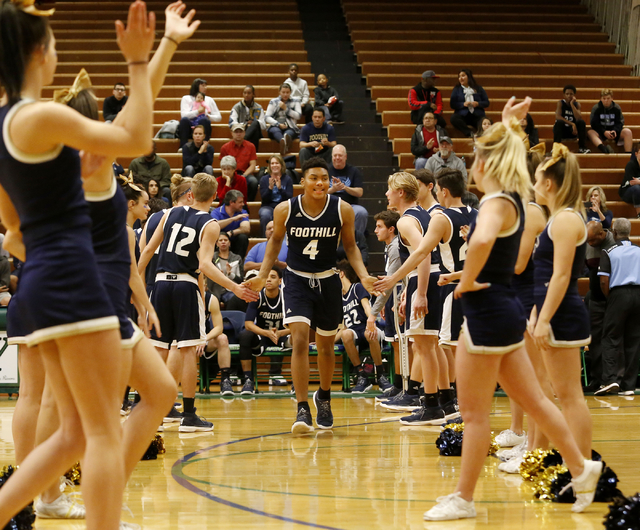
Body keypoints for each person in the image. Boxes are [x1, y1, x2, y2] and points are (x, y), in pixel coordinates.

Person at [0, 2, 157, 529]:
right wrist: (137, 62)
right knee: (101, 434)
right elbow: (136, 139)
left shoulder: (4, 127)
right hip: (71, 280)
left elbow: (16, 235)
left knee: (71, 434)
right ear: (40, 53)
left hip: (40, 283)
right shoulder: (39, 114)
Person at [422, 102, 603, 521]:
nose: (470, 164)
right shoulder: (514, 199)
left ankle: (464, 499)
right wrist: (508, 124)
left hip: (487, 316)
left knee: (474, 414)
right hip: (502, 312)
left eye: (475, 157)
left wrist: (464, 281)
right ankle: (582, 467)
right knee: (537, 402)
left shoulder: (495, 204)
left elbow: (483, 240)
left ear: (485, 164)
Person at [245, 157, 377, 434]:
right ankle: (302, 407)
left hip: (328, 280)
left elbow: (351, 247)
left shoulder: (343, 210)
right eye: (314, 177)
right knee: (301, 339)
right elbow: (274, 244)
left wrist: (363, 275)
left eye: (324, 178)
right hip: (296, 280)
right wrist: (262, 273)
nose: (320, 182)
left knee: (326, 346)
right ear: (302, 182)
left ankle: (324, 397)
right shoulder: (285, 209)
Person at [138, 173, 258, 433]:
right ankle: (189, 415)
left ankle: (152, 412)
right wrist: (234, 286)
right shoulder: (211, 224)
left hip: (159, 284)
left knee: (159, 350)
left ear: (190, 194)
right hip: (185, 285)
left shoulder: (170, 213)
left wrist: (134, 283)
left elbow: (147, 250)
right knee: (188, 350)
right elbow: (204, 264)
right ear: (214, 197)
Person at [596, 217, 640, 396]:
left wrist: (611, 298)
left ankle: (611, 379)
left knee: (611, 337)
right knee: (634, 339)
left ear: (613, 232)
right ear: (629, 232)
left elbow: (604, 280)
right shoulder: (639, 250)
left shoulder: (608, 250)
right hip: (638, 294)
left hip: (618, 295)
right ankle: (629, 385)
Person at [336, 260, 392, 393]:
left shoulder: (357, 288)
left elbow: (367, 308)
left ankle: (381, 374)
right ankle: (361, 375)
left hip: (368, 328)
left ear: (341, 274)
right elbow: (344, 327)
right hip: (354, 334)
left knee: (369, 333)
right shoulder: (340, 298)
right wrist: (326, 342)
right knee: (345, 334)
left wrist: (371, 324)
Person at [368, 209, 403, 399]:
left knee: (402, 344)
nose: (375, 230)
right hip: (392, 298)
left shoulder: (397, 247)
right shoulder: (390, 246)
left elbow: (390, 282)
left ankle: (405, 387)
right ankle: (399, 386)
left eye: (379, 227)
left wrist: (373, 312)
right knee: (397, 344)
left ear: (391, 229)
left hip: (398, 297)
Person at [239, 268, 291, 390]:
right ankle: (248, 379)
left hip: (282, 334)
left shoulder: (287, 298)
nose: (268, 279)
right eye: (266, 277)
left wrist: (280, 332)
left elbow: (297, 324)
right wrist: (267, 333)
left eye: (273, 277)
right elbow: (248, 324)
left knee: (298, 338)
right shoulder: (257, 296)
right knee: (245, 335)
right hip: (262, 335)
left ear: (280, 281)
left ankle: (289, 380)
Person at [585, 220, 616, 391]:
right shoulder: (587, 244)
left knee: (612, 340)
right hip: (596, 300)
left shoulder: (613, 244)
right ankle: (596, 380)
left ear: (601, 234)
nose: (590, 244)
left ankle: (615, 378)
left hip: (613, 300)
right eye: (587, 241)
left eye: (592, 241)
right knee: (595, 340)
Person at [199, 289, 234, 395]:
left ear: (204, 283)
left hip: (204, 339)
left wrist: (204, 339)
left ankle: (225, 380)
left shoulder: (211, 299)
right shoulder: (181, 295)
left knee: (222, 338)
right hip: (184, 339)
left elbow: (219, 327)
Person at [328, 145, 368, 234]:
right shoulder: (325, 170)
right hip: (330, 206)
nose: (337, 158)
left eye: (340, 155)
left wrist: (345, 187)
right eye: (335, 155)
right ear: (332, 157)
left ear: (345, 157)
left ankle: (356, 241)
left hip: (350, 206)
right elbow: (320, 192)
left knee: (362, 212)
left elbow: (359, 192)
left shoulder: (354, 171)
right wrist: (333, 189)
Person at [177, 77, 221, 148]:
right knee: (184, 120)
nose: (205, 88)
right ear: (196, 86)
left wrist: (208, 116)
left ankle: (205, 146)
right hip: (190, 128)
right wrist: (198, 111)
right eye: (203, 86)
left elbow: (218, 117)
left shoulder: (209, 99)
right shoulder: (186, 98)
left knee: (204, 120)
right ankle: (183, 147)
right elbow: (184, 115)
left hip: (202, 128)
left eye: (206, 86)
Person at [219, 123, 258, 201]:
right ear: (232, 133)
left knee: (254, 182)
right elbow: (222, 165)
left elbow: (253, 165)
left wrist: (244, 176)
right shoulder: (225, 147)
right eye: (236, 132)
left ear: (244, 133)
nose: (238, 134)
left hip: (245, 173)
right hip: (231, 173)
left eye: (240, 132)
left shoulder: (251, 146)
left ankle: (248, 202)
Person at [208, 231, 245, 310]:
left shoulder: (236, 258)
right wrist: (217, 275)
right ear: (217, 244)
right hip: (215, 289)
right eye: (220, 240)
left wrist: (230, 274)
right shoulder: (212, 257)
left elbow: (241, 280)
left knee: (234, 299)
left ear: (229, 243)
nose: (223, 242)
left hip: (230, 290)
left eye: (225, 240)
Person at [588, 89, 633, 153]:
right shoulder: (596, 108)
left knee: (628, 132)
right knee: (590, 132)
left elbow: (620, 122)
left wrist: (615, 131)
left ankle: (628, 155)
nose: (606, 101)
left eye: (608, 98)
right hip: (601, 132)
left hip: (614, 132)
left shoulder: (616, 108)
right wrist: (604, 131)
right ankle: (604, 149)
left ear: (612, 98)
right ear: (601, 99)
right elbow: (594, 124)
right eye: (604, 98)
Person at [258, 154, 293, 236]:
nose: (274, 165)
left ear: (281, 165)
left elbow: (289, 198)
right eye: (272, 163)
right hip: (268, 206)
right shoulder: (264, 179)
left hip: (283, 206)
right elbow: (264, 199)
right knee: (265, 215)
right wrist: (270, 188)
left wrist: (280, 188)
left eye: (277, 163)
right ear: (269, 166)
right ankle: (265, 239)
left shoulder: (287, 179)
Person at [210, 189, 250, 258]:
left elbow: (246, 228)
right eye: (240, 202)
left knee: (243, 237)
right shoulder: (217, 212)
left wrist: (231, 232)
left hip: (234, 241)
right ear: (231, 202)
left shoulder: (243, 212)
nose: (243, 204)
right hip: (220, 241)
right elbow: (214, 226)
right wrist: (232, 219)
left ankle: (238, 262)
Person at [449, 69, 490, 137]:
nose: (461, 78)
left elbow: (487, 102)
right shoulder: (457, 89)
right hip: (462, 115)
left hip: (477, 115)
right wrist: (463, 104)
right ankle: (469, 133)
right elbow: (452, 104)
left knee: (486, 121)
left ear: (469, 77)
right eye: (459, 76)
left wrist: (478, 104)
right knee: (454, 119)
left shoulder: (478, 88)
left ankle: (482, 135)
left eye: (463, 76)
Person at [265, 83, 301, 156]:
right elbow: (267, 117)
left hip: (290, 126)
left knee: (288, 133)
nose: (285, 94)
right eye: (283, 92)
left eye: (287, 92)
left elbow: (298, 116)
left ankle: (285, 140)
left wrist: (286, 109)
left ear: (290, 92)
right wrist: (278, 124)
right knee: (275, 130)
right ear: (279, 92)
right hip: (276, 126)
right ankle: (283, 142)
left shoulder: (296, 101)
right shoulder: (273, 101)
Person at [553, 84, 590, 154]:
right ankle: (556, 147)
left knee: (581, 122)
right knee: (559, 122)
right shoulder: (560, 103)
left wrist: (572, 105)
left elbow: (579, 117)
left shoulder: (577, 104)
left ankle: (582, 148)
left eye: (571, 94)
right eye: (567, 94)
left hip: (573, 132)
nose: (569, 96)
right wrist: (572, 124)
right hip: (563, 131)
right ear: (564, 95)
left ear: (574, 95)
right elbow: (557, 116)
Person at [229, 84, 266, 151]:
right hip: (242, 131)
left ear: (253, 94)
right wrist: (244, 125)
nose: (246, 95)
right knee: (254, 130)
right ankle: (253, 152)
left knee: (255, 124)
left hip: (254, 133)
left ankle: (244, 140)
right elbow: (232, 123)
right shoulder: (237, 107)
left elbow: (263, 125)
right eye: (245, 93)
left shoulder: (258, 107)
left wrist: (252, 125)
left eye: (249, 93)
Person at [620, 146, 640, 217]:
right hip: (627, 192)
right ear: (636, 154)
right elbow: (632, 182)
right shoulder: (631, 165)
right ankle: (639, 214)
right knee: (637, 188)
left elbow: (637, 182)